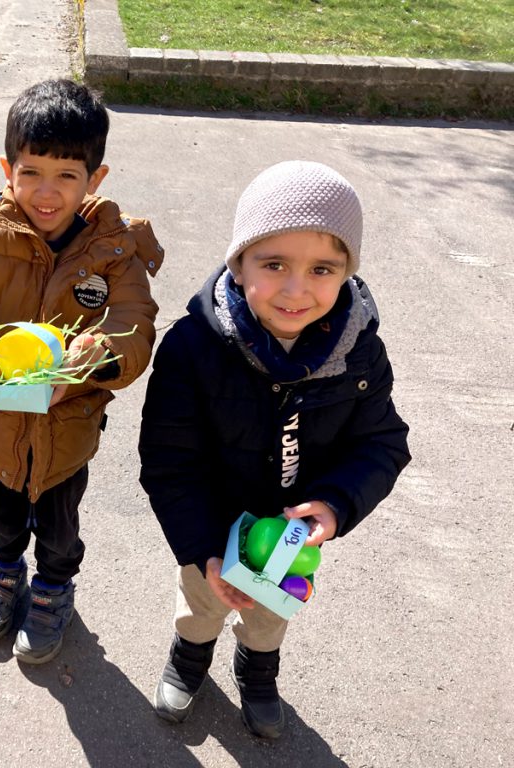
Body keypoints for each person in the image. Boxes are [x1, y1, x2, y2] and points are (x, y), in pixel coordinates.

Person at [138, 160, 410, 738]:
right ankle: (190, 655)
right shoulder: (192, 349)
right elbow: (169, 462)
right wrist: (204, 549)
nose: (296, 289)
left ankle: (259, 669)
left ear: (347, 274)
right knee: (203, 602)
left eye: (322, 269)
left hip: (290, 540)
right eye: (274, 264)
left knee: (269, 614)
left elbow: (382, 442)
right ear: (239, 265)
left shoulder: (359, 352)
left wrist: (336, 503)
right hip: (212, 524)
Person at [0, 79, 163, 664]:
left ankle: (52, 587)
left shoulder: (114, 251)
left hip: (66, 428)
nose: (47, 193)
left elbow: (135, 323)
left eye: (67, 176)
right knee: (0, 514)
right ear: (7, 169)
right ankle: (4, 569)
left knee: (59, 525)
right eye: (31, 173)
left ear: (95, 179)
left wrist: (97, 353)